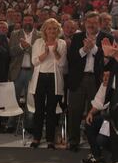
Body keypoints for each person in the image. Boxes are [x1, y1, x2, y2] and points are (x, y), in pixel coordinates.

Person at [67, 11, 113, 151]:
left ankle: (94, 142)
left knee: (94, 112)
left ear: (99, 24)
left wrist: (93, 49)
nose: (91, 25)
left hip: (97, 80)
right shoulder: (77, 37)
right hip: (78, 79)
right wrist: (83, 50)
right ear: (84, 23)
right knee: (74, 111)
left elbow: (108, 59)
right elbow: (71, 58)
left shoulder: (107, 37)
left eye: (94, 23)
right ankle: (73, 141)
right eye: (89, 22)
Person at [29, 18, 67, 149]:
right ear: (44, 30)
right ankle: (36, 138)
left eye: (54, 28)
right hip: (40, 78)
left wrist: (55, 51)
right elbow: (34, 62)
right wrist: (45, 53)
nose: (52, 31)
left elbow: (62, 64)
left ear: (58, 30)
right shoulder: (38, 42)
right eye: (49, 28)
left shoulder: (61, 43)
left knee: (51, 111)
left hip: (54, 80)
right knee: (38, 110)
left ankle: (50, 140)